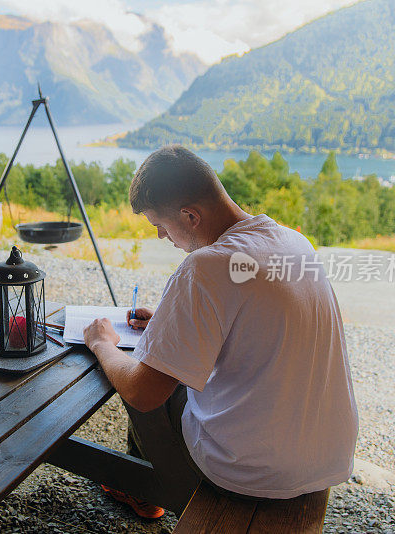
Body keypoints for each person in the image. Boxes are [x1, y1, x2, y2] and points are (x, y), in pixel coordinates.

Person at [83, 145, 358, 519]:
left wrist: (102, 344)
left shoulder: (207, 266)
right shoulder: (293, 242)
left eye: (160, 226)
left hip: (251, 472)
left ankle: (147, 494)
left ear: (190, 216)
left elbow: (143, 392)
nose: (163, 237)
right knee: (164, 357)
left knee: (141, 373)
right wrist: (170, 322)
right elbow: (256, 315)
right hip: (326, 458)